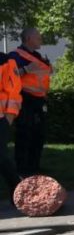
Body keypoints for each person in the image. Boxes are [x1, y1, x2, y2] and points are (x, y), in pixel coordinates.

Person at [8, 28, 51, 175]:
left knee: (38, 134)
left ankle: (34, 167)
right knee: (24, 134)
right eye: (38, 37)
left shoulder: (37, 56)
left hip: (38, 100)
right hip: (25, 99)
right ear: (28, 39)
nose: (41, 40)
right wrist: (26, 69)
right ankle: (22, 169)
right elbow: (9, 76)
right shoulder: (15, 55)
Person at [0, 52, 22, 203]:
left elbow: (13, 90)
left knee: (1, 156)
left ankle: (18, 189)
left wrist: (10, 115)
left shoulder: (5, 61)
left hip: (1, 118)